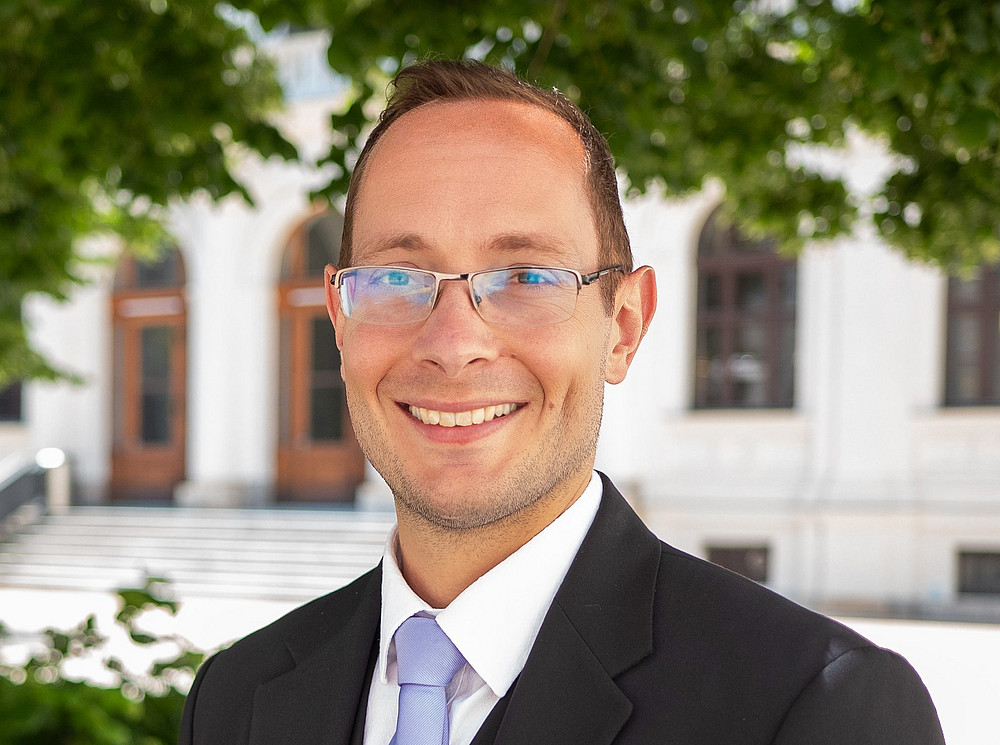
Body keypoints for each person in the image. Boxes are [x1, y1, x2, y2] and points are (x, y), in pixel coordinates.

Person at [179, 59, 944, 745]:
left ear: (623, 326)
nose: (454, 342)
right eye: (398, 277)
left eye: (526, 277)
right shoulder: (235, 698)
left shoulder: (815, 706)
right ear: (340, 319)